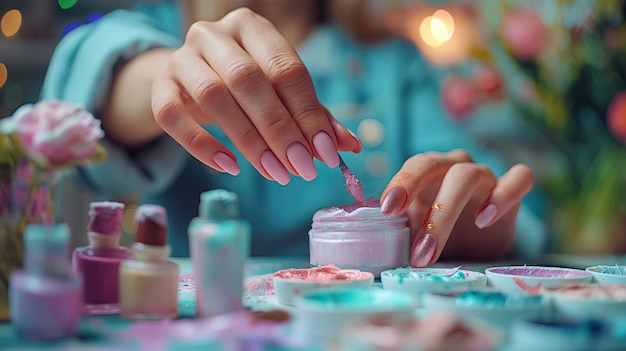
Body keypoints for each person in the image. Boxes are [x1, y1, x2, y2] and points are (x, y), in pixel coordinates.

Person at [41, 0, 545, 266]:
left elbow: (481, 189)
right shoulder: (163, 27)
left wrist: (478, 218)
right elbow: (83, 91)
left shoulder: (394, 62)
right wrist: (162, 76)